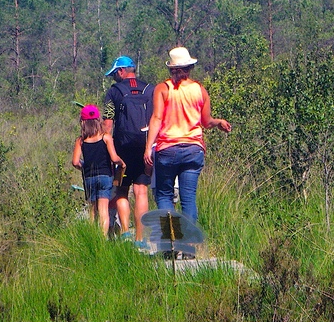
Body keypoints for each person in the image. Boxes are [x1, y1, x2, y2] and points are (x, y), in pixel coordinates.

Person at [144, 46, 231, 225]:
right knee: (188, 199)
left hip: (167, 149)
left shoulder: (162, 89)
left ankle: (169, 245)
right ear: (189, 68)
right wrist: (219, 122)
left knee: (164, 196)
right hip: (193, 149)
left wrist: (148, 147)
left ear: (171, 68)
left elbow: (157, 118)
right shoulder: (200, 90)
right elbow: (206, 122)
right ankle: (189, 246)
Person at [102, 56, 154, 244]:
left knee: (122, 190)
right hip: (145, 146)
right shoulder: (150, 89)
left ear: (122, 71)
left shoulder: (114, 91)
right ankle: (140, 237)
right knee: (141, 190)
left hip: (123, 147)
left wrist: (107, 149)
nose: (115, 77)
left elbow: (108, 123)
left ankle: (125, 231)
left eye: (115, 73)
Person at [71, 104, 124, 237]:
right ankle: (102, 239)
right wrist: (122, 162)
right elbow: (113, 158)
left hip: (89, 177)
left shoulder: (80, 140)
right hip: (105, 176)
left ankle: (92, 238)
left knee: (92, 211)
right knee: (103, 210)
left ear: (82, 122)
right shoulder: (105, 137)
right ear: (98, 120)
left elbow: (75, 162)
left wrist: (84, 166)